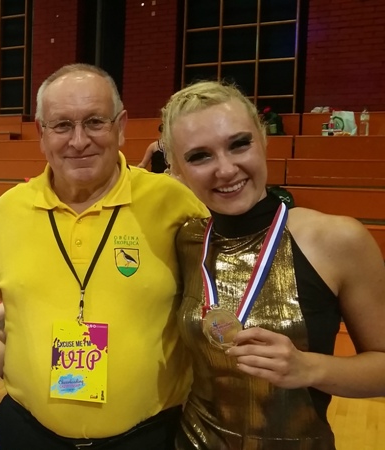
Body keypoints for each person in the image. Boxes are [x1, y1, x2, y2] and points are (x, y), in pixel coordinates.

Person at [0, 64, 207, 450]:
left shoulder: (175, 205)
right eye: (62, 125)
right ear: (41, 134)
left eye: (95, 122)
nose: (79, 140)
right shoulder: (5, 214)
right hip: (30, 435)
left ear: (121, 126)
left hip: (147, 437)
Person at [161, 81, 385, 449]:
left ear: (263, 140)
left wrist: (310, 368)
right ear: (176, 169)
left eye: (239, 144)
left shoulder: (337, 240)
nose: (226, 169)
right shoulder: (186, 240)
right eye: (200, 156)